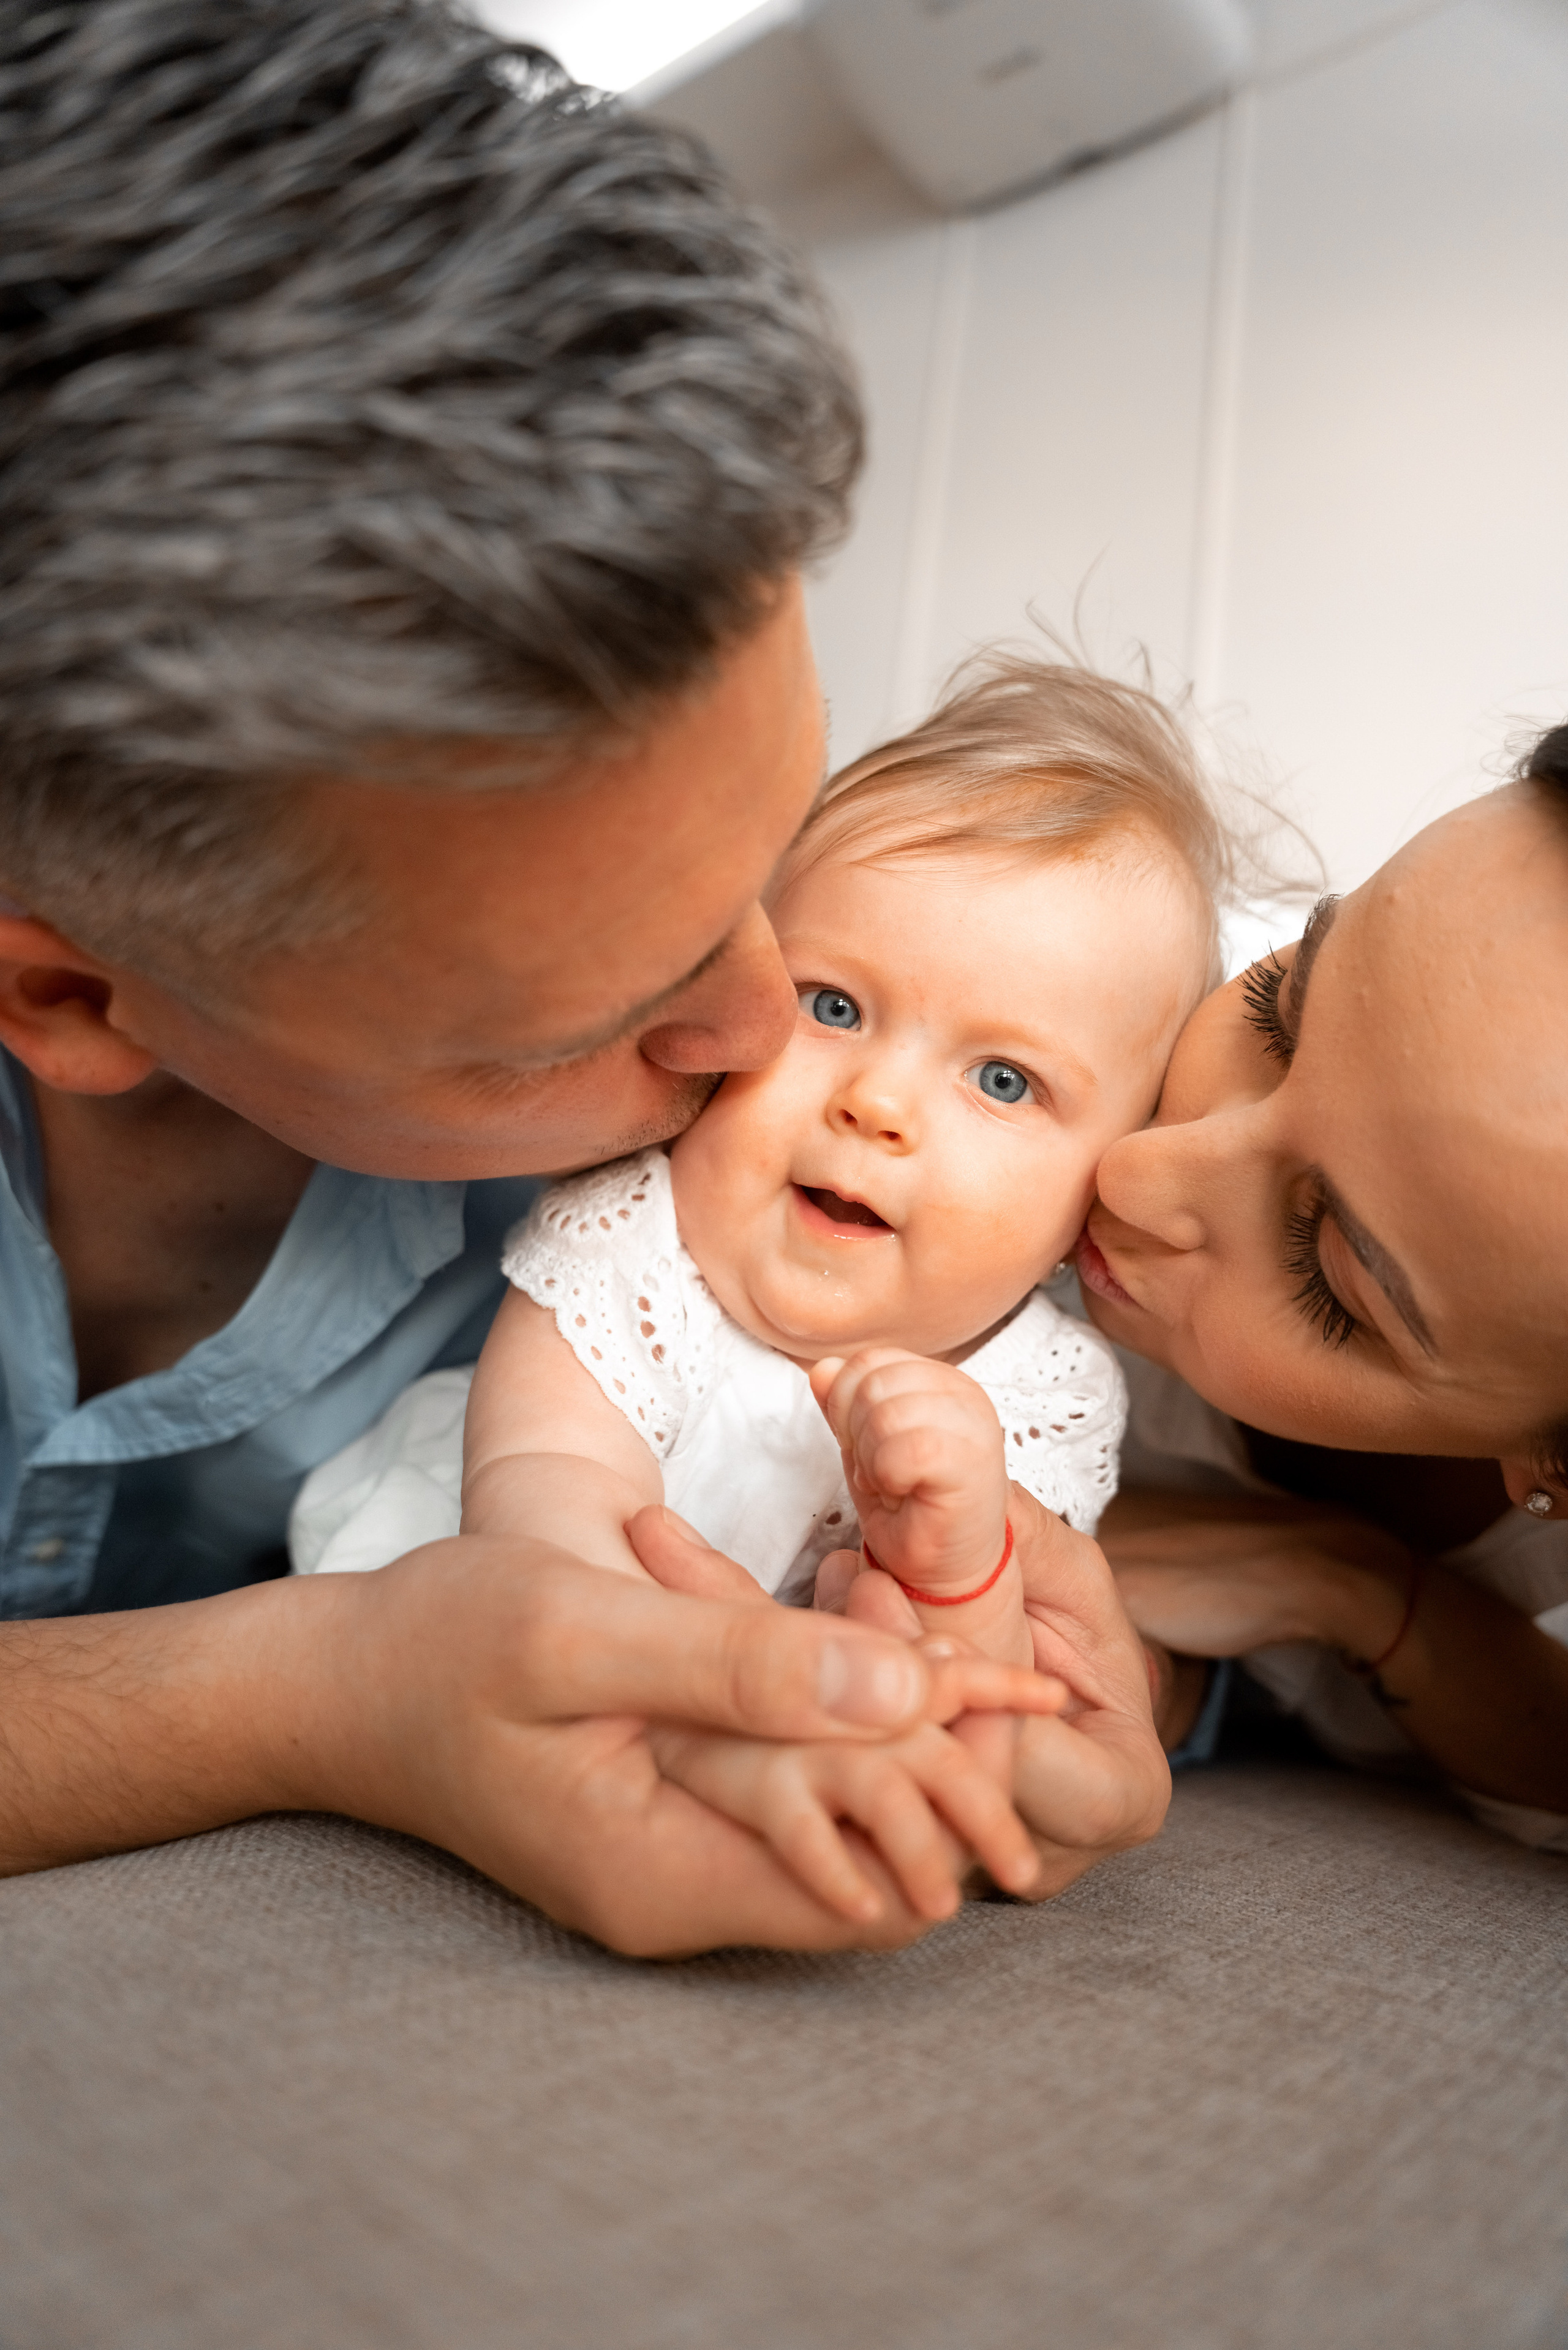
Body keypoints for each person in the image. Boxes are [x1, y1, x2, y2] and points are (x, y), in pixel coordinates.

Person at [0, 0, 1168, 1952]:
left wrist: (1107, 1642)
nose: (758, 1037)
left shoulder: (723, 1210)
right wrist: (322, 1688)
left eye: (769, 874)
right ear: (75, 1002)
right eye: (585, 1014)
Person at [289, 652, 1223, 1925]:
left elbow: (992, 1681)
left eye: (1002, 1080)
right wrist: (658, 1702)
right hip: (477, 1608)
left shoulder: (1041, 1392)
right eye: (831, 1001)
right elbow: (544, 1491)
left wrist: (956, 1575)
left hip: (797, 1696)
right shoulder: (635, 1240)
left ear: (1091, 1199)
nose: (876, 1103)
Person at [1074, 730, 1568, 1837]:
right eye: (1275, 1011)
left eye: (1330, 1270)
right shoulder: (1113, 947)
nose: (1132, 1172)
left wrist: (1337, 1580)